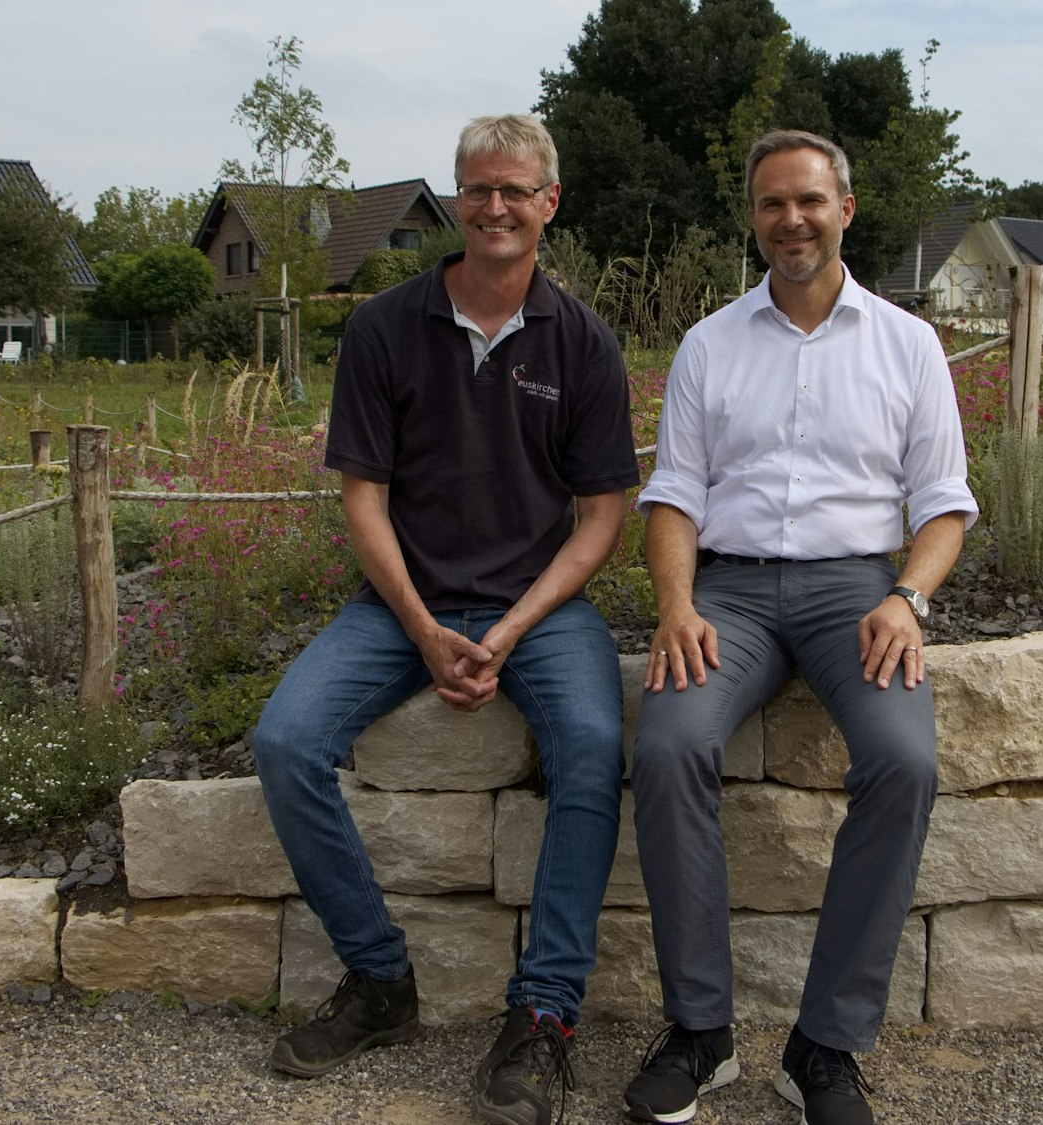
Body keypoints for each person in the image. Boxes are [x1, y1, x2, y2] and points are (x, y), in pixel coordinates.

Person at [251, 113, 637, 1125]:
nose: (495, 207)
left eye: (516, 190)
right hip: (399, 604)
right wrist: (425, 630)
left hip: (540, 611)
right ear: (456, 200)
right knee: (286, 741)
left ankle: (542, 1016)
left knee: (593, 746)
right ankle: (380, 982)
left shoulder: (585, 343)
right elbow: (363, 503)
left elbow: (601, 519)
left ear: (549, 203)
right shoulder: (384, 329)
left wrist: (508, 631)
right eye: (478, 190)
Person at [621, 129, 977, 1125]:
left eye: (809, 202)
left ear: (844, 210)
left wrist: (906, 599)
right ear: (753, 217)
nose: (792, 220)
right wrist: (676, 606)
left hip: (854, 593)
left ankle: (823, 1044)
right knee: (667, 745)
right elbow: (674, 497)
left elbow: (942, 503)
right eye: (773, 204)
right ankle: (700, 1032)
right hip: (727, 592)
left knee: (903, 763)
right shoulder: (708, 343)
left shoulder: (906, 344)